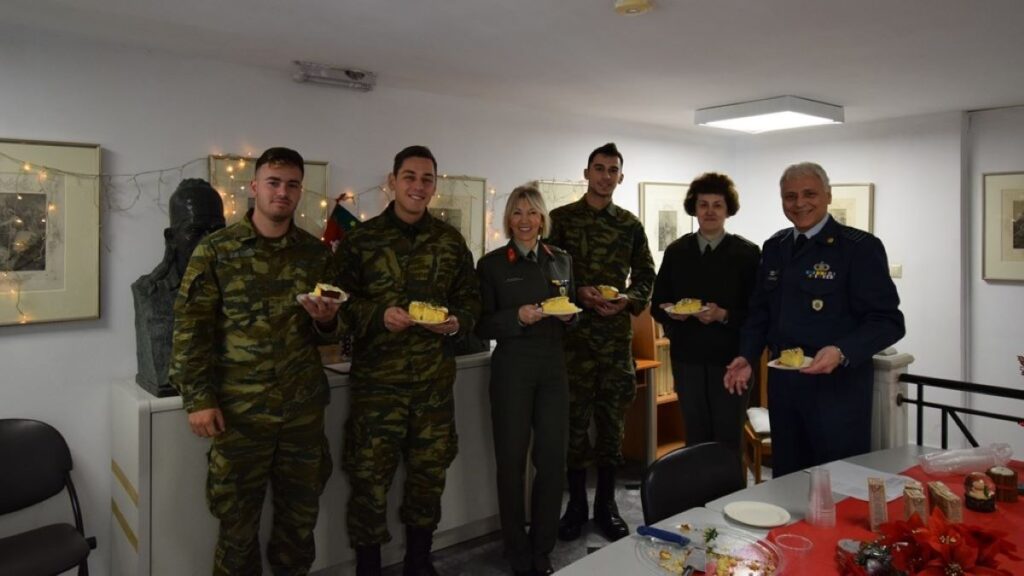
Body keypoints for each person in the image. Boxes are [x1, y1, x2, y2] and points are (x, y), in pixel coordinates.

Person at [169, 148, 343, 576]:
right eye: (273, 182)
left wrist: (327, 322)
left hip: (301, 414)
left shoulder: (316, 255)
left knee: (299, 525)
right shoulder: (217, 251)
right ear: (254, 187)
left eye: (292, 184)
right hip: (240, 414)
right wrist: (198, 399)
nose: (282, 192)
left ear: (300, 191)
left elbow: (333, 331)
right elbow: (191, 330)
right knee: (237, 529)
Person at [335, 145, 480, 576]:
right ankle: (369, 567)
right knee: (369, 482)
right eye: (410, 177)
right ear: (393, 181)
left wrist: (455, 323)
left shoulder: (450, 242)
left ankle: (419, 560)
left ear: (434, 186)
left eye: (426, 179)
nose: (418, 186)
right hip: (377, 390)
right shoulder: (361, 240)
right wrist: (378, 315)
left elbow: (471, 300)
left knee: (428, 478)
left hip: (433, 388)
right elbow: (338, 303)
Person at [724, 162, 905, 477]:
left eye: (809, 194)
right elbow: (760, 312)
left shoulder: (858, 248)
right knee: (788, 479)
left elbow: (889, 321)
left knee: (839, 481)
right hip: (785, 389)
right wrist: (747, 356)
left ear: (828, 196)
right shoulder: (776, 247)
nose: (799, 203)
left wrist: (841, 350)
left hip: (837, 391)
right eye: (790, 196)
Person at [548, 142, 655, 542]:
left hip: (614, 341)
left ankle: (606, 505)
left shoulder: (629, 225)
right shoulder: (560, 220)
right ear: (587, 173)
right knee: (574, 427)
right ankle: (576, 505)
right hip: (573, 340)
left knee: (612, 427)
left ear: (620, 177)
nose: (605, 176)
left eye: (612, 170)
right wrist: (578, 292)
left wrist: (628, 300)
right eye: (599, 168)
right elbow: (548, 274)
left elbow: (646, 275)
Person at [476, 185, 575, 576]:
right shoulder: (493, 265)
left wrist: (572, 316)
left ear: (542, 218)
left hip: (553, 367)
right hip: (512, 368)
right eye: (517, 212)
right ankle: (516, 549)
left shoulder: (561, 260)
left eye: (532, 212)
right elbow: (482, 323)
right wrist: (516, 317)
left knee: (552, 461)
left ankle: (542, 548)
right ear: (508, 219)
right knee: (511, 462)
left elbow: (572, 309)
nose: (525, 220)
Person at [650, 173, 759, 468]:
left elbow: (758, 313)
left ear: (728, 210)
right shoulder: (677, 251)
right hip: (688, 360)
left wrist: (723, 315)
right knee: (695, 439)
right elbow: (657, 306)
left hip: (731, 362)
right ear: (694, 208)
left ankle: (731, 495)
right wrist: (671, 311)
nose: (710, 211)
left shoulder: (747, 253)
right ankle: (697, 495)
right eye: (703, 204)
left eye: (717, 205)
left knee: (728, 439)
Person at [133, 178, 226, 397]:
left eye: (217, 230)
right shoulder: (150, 292)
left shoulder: (238, 285)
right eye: (195, 230)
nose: (208, 241)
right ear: (171, 237)